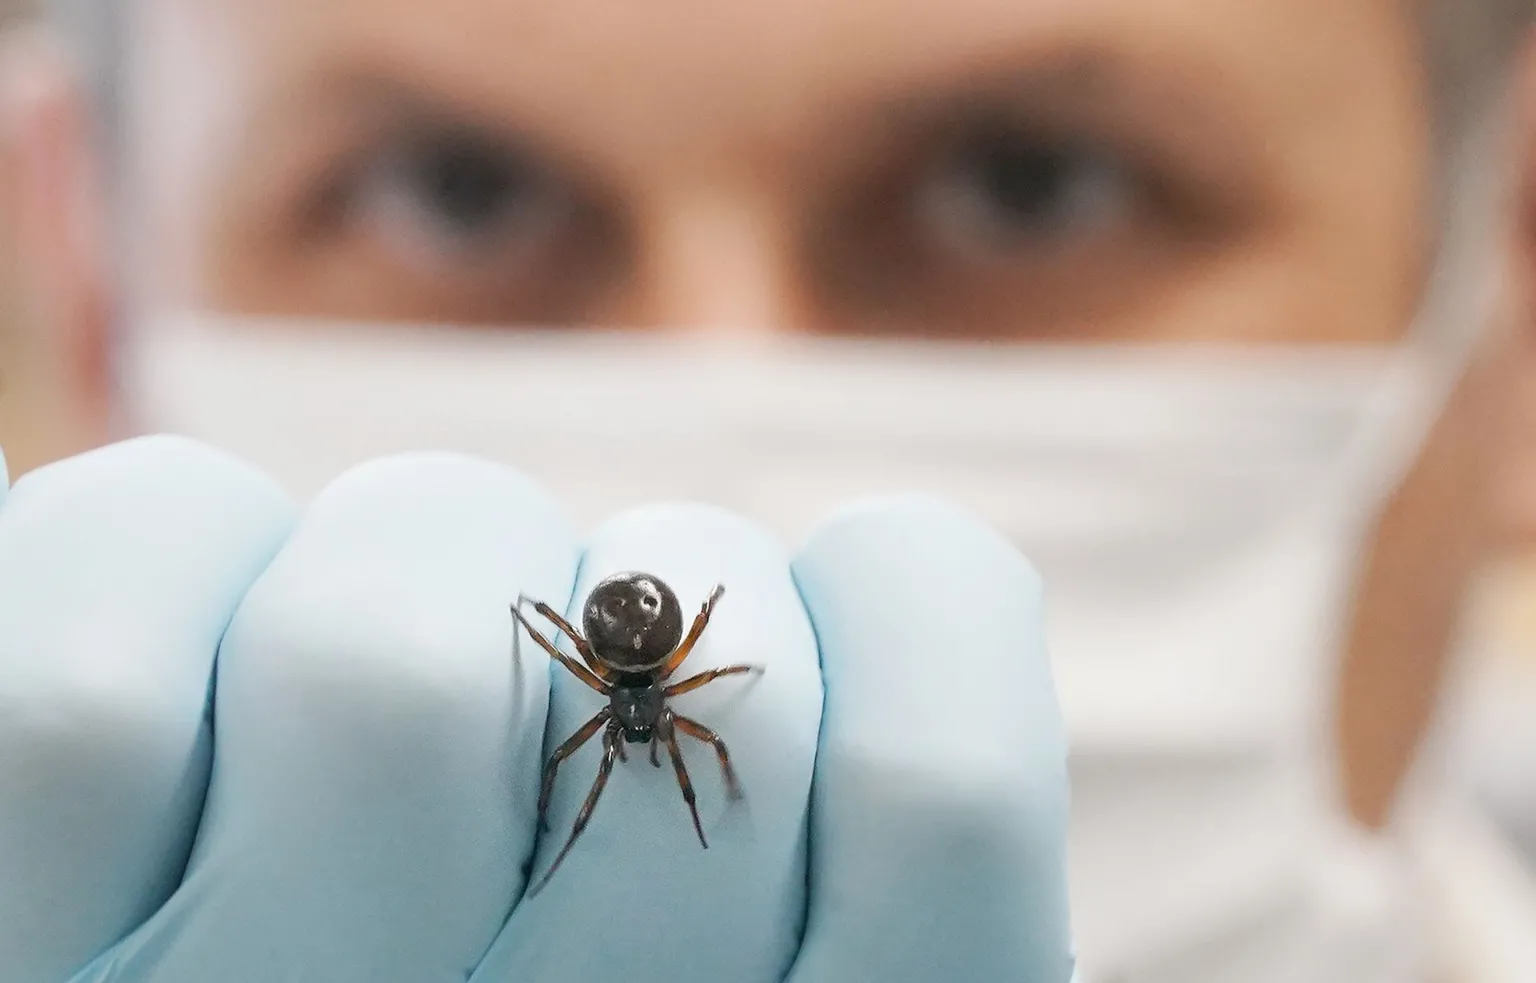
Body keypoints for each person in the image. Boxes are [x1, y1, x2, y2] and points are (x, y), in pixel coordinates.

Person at [0, 0, 1534, 981]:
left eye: (1034, 183)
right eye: (449, 191)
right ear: (85, 290)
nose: (715, 395)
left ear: (1516, 281)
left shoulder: (622, 696)